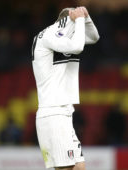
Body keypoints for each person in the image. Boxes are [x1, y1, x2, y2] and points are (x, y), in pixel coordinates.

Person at [32, 7, 99, 170]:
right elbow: (78, 47)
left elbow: (94, 37)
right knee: (66, 168)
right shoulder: (49, 35)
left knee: (79, 166)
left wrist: (86, 18)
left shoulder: (61, 37)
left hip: (63, 112)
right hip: (53, 112)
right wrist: (79, 19)